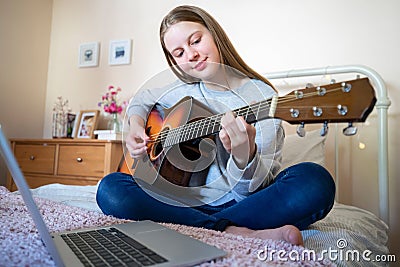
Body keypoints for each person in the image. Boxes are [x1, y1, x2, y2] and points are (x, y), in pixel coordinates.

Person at [96, 5, 335, 246]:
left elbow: (249, 195)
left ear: (214, 34)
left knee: (314, 181)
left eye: (196, 41)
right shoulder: (183, 92)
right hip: (177, 202)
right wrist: (136, 125)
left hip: (243, 205)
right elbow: (141, 99)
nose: (191, 55)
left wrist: (244, 157)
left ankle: (198, 227)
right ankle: (234, 231)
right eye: (179, 53)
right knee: (110, 188)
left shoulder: (262, 98)